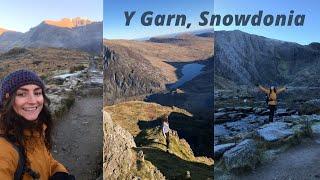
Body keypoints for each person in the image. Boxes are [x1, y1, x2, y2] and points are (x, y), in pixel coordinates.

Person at [0, 69, 75, 180]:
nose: (33, 100)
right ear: (7, 99)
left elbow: (45, 160)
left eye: (37, 93)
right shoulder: (4, 148)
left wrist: (59, 172)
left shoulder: (35, 129)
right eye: (21, 94)